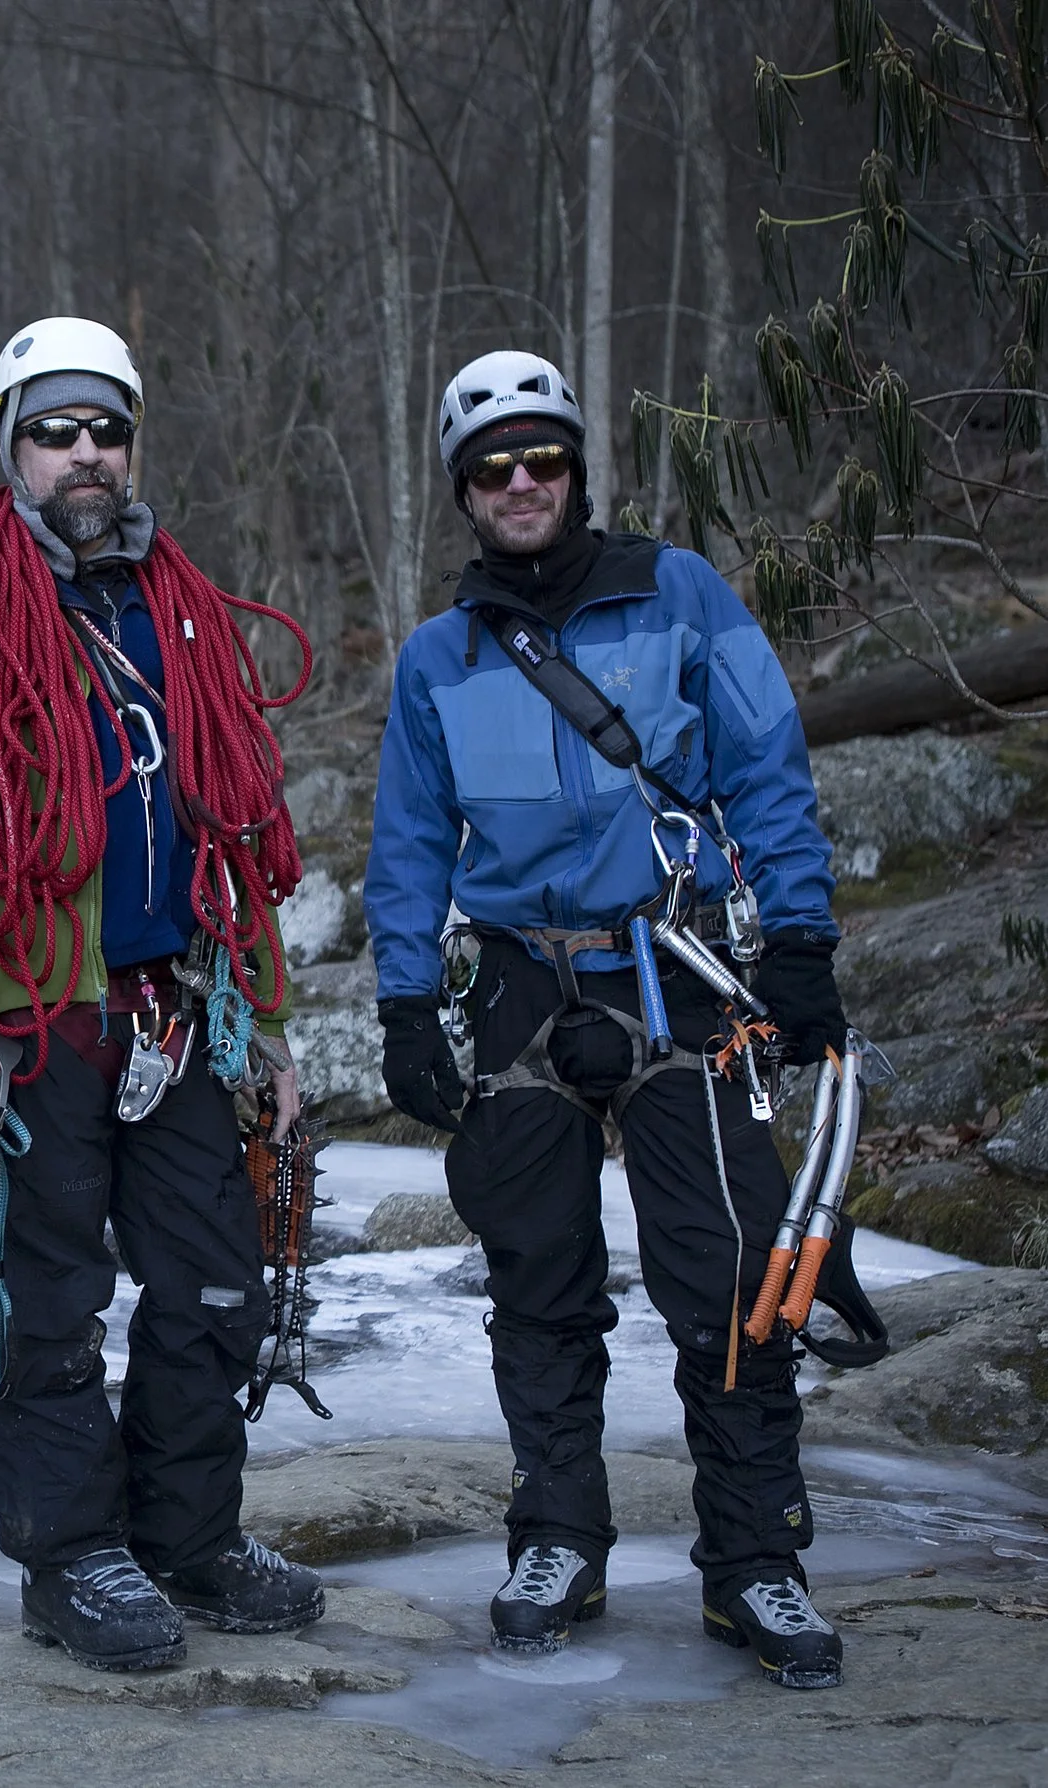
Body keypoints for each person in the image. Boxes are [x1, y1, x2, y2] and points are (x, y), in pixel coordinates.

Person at [364, 349, 854, 1689]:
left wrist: (800, 937)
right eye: (491, 467)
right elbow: (408, 841)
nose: (520, 483)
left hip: (677, 964)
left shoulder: (680, 596)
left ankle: (755, 1562)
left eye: (542, 458)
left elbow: (765, 763)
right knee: (538, 1279)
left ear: (576, 468)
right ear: (463, 492)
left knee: (737, 1278)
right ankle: (559, 1538)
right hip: (520, 979)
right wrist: (407, 1002)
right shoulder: (439, 659)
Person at [0, 316, 322, 1672]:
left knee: (212, 1289)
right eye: (54, 430)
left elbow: (242, 836)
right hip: (36, 1026)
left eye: (105, 429)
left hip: (182, 1014)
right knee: (48, 1297)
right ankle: (72, 1555)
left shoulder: (182, 610)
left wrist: (271, 1028)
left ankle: (188, 1541)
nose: (85, 453)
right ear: (10, 447)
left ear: (133, 444)